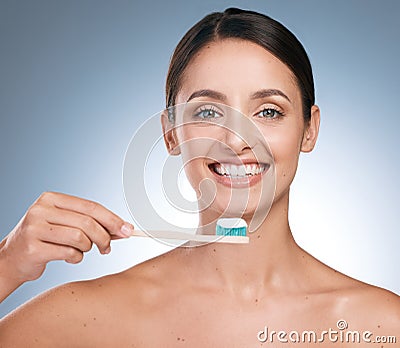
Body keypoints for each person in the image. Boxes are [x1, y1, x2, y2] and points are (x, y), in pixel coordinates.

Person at [0, 8, 398, 347]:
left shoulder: (381, 326)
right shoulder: (81, 318)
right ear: (171, 133)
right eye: (208, 112)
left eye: (269, 112)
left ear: (309, 130)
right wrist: (8, 264)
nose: (238, 140)